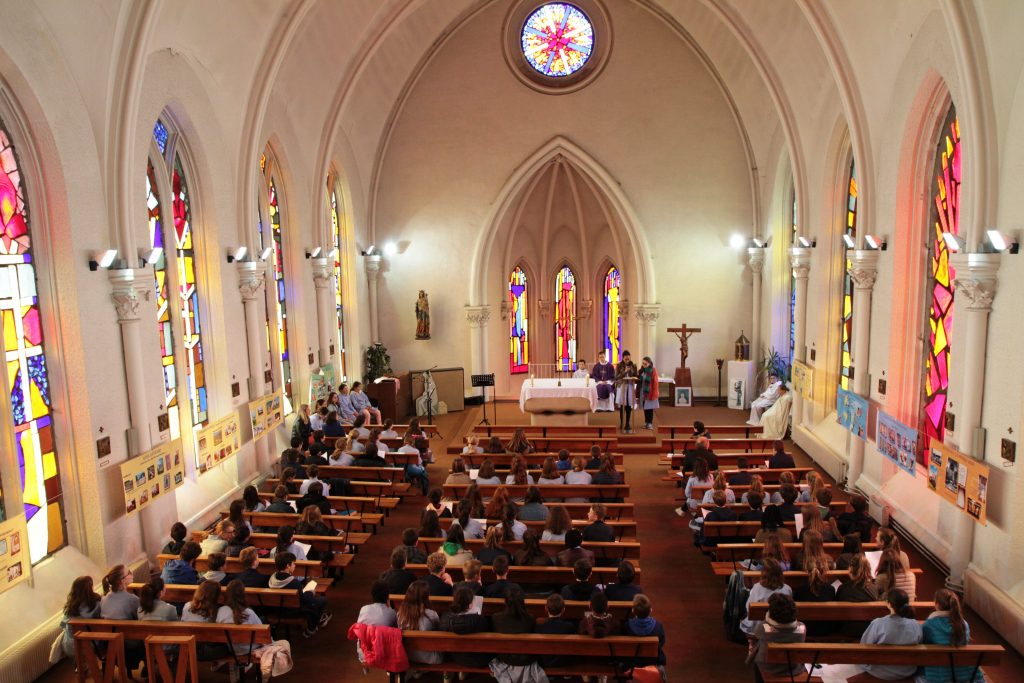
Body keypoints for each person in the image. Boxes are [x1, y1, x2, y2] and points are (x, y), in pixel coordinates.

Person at [920, 589, 985, 683]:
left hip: (939, 676)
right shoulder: (963, 624)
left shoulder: (929, 625)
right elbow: (965, 642)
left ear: (937, 605)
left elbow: (925, 645)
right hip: (965, 673)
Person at [857, 589, 923, 680]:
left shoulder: (878, 623)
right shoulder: (915, 624)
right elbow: (919, 644)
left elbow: (864, 645)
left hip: (880, 670)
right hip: (907, 669)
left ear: (889, 604)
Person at [268, 552, 332, 638]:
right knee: (320, 601)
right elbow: (304, 601)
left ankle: (317, 621)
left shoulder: (272, 579)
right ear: (288, 565)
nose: (295, 565)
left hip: (277, 609)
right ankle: (311, 629)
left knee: (313, 602)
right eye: (293, 563)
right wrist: (310, 592)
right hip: (293, 611)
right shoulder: (294, 583)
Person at [746, 593, 806, 681]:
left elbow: (757, 634)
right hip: (791, 667)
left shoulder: (764, 627)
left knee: (756, 647)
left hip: (767, 666)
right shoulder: (802, 628)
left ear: (771, 612)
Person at [100, 565, 143, 670]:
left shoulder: (103, 599)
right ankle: (149, 668)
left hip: (109, 644)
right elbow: (141, 619)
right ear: (122, 581)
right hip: (128, 647)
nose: (131, 573)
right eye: (129, 572)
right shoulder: (133, 600)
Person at [439, 586, 492, 667]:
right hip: (478, 659)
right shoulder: (479, 620)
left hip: (455, 657)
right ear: (470, 605)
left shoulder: (445, 618)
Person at [740, 558, 792, 635]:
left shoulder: (757, 588)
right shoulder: (787, 589)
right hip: (781, 625)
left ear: (764, 573)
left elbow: (748, 608)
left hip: (760, 627)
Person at [396, 581, 443, 665]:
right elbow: (439, 632)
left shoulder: (400, 613)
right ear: (426, 597)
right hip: (430, 657)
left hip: (407, 655)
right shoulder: (431, 614)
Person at [491, 585, 536, 666]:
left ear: (505, 601)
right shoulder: (530, 618)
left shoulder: (496, 617)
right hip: (525, 658)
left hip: (505, 657)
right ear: (522, 600)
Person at [354, 580, 398, 664]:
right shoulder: (391, 612)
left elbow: (359, 629)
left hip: (364, 653)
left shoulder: (364, 609)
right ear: (387, 596)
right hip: (384, 655)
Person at [60, 576, 101, 659]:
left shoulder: (70, 606)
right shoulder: (96, 603)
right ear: (90, 589)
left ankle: (80, 665)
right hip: (91, 644)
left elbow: (62, 625)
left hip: (70, 646)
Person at [626, 594, 667, 676]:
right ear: (650, 610)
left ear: (633, 611)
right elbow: (662, 642)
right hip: (652, 660)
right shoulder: (658, 626)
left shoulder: (627, 626)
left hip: (633, 660)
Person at [534, 593, 578, 668]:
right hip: (563, 661)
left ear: (546, 608)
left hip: (544, 660)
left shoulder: (539, 626)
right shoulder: (569, 626)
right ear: (563, 610)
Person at [615, 350, 639, 433]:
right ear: (623, 358)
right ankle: (622, 423)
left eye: (628, 358)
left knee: (629, 406)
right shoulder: (619, 365)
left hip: (630, 386)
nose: (627, 359)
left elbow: (636, 375)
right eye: (626, 358)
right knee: (622, 406)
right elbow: (616, 377)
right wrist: (624, 371)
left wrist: (631, 371)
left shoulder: (633, 365)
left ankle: (627, 423)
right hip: (622, 386)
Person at [637, 356, 659, 430]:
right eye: (643, 363)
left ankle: (650, 423)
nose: (644, 365)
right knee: (645, 408)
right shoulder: (642, 370)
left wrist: (654, 394)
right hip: (643, 392)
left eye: (645, 364)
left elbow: (655, 383)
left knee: (650, 409)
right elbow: (639, 379)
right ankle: (646, 422)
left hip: (650, 392)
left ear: (649, 363)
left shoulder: (653, 370)